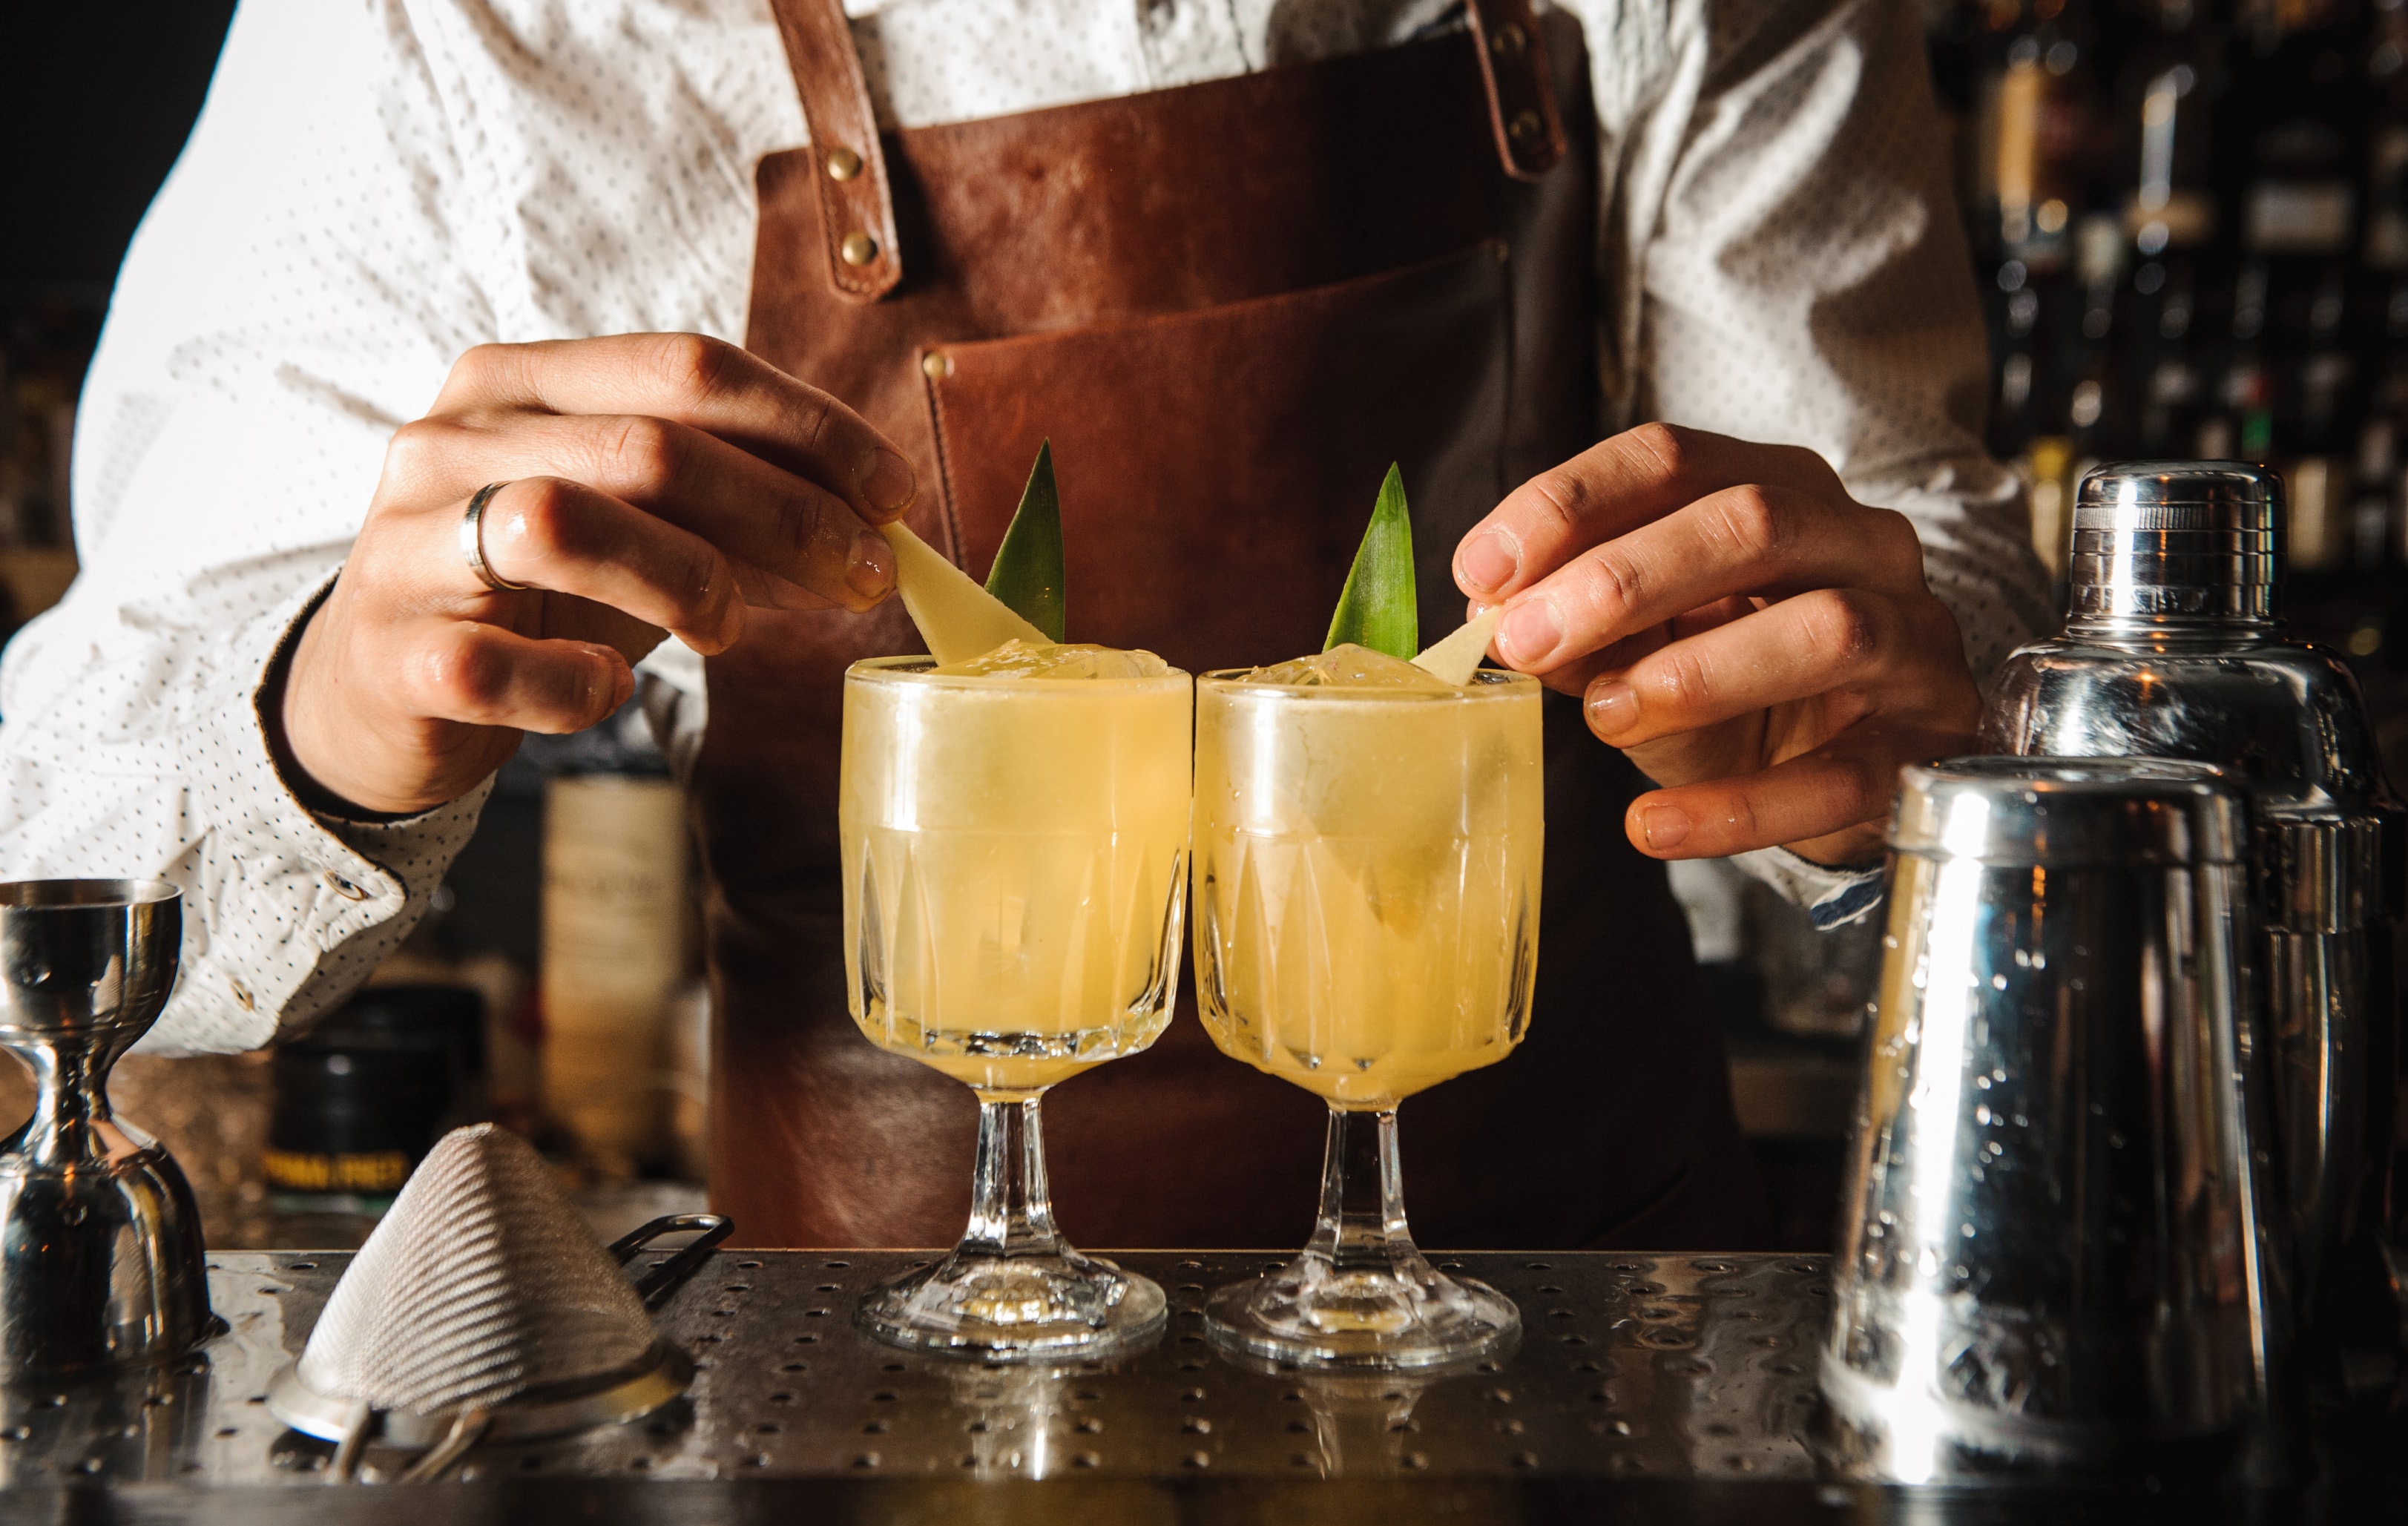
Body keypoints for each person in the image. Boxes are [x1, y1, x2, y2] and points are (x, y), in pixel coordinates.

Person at [0, 0, 2050, 1249]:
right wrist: (329, 702)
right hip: (876, 1357)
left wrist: (1889, 751)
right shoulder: (459, 31)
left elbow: (1935, 632)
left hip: (1568, 1312)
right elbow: (63, 829)